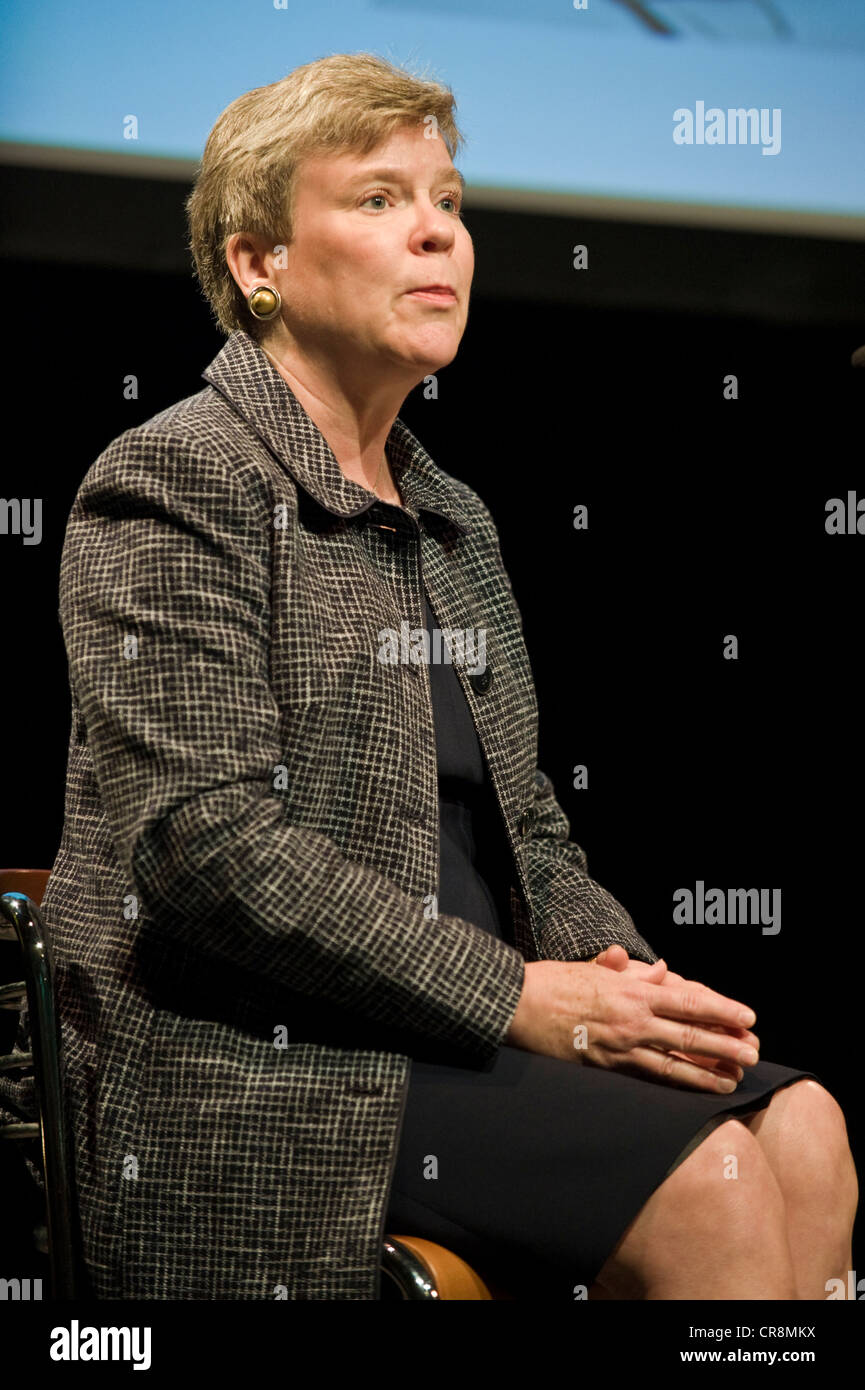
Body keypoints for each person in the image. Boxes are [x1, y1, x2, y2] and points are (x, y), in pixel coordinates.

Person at [1, 52, 855, 1301]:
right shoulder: (178, 481)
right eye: (379, 201)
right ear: (259, 265)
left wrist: (624, 984)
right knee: (715, 1189)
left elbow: (533, 843)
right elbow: (204, 845)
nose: (437, 237)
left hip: (451, 1037)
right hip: (255, 1065)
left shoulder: (455, 522)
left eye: (449, 203)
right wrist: (518, 996)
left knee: (808, 1131)